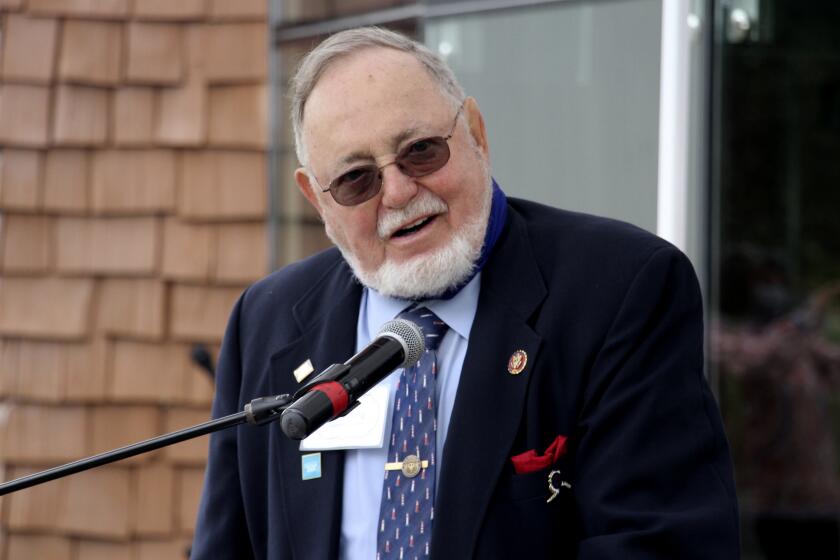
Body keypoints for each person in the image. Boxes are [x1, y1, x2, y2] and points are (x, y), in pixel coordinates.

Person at [192, 27, 739, 560]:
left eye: (421, 151)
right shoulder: (266, 320)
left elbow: (657, 543)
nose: (400, 192)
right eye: (358, 180)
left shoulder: (621, 289)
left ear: (475, 133)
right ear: (317, 198)